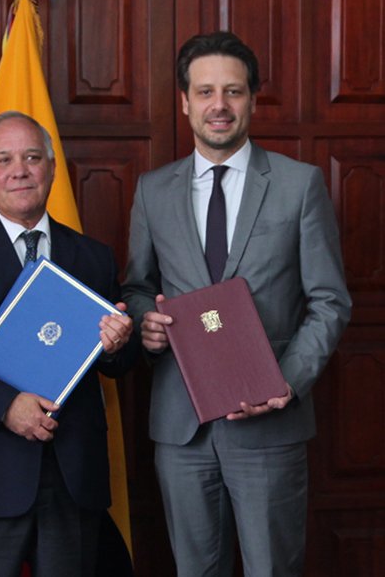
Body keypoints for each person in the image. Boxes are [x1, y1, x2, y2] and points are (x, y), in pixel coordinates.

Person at [122, 31, 351, 576]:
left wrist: (285, 383)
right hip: (181, 427)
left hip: (270, 426)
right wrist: (145, 322)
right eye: (205, 92)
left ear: (252, 99)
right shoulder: (153, 190)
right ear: (185, 102)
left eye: (233, 91)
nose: (218, 105)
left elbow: (329, 300)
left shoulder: (299, 185)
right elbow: (136, 285)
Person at [0, 111, 137, 577]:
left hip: (72, 476)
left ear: (52, 168)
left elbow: (118, 363)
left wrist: (117, 345)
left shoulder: (92, 256)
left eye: (32, 157)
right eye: (5, 159)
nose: (20, 170)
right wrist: (6, 406)